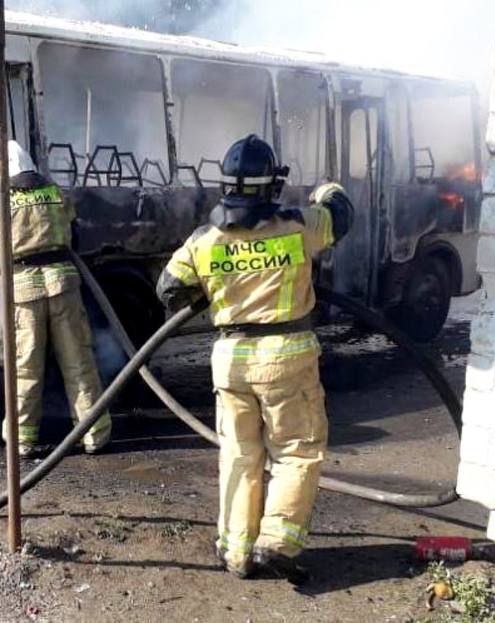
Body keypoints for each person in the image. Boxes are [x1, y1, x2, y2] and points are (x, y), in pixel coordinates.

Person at [156, 135, 353, 584]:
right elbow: (342, 217)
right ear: (271, 186)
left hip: (231, 361)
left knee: (240, 454)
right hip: (288, 358)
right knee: (296, 451)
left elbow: (169, 291)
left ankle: (235, 549)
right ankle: (277, 544)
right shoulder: (301, 225)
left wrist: (221, 285)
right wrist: (328, 191)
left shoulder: (203, 241)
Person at [0, 140, 112, 457]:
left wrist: (2, 266)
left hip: (23, 292)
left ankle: (22, 441)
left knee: (25, 368)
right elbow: (75, 237)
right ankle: (95, 435)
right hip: (64, 285)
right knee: (79, 362)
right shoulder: (56, 193)